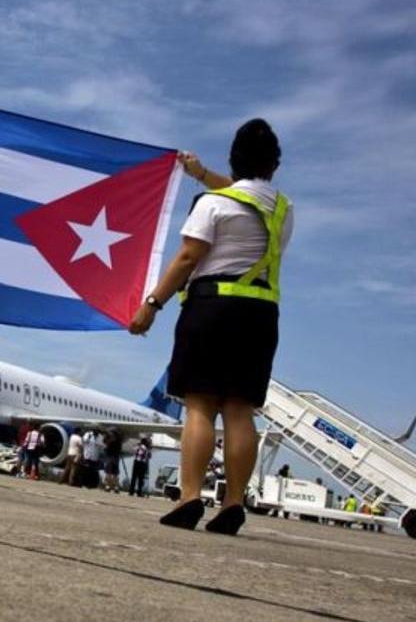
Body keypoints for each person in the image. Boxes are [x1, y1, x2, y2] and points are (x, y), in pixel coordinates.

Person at [130, 118, 294, 536]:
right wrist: (201, 174)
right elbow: (245, 194)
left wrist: (152, 304)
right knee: (240, 409)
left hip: (211, 309)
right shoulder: (282, 211)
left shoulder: (212, 205)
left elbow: (187, 258)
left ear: (232, 160)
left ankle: (189, 498)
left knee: (199, 404)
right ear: (274, 166)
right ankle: (233, 502)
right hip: (260, 315)